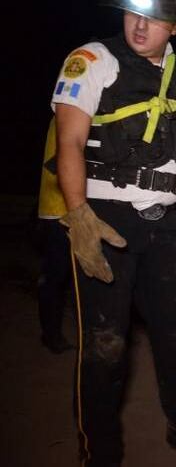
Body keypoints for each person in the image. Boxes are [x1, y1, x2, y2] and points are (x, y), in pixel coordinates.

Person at [52, 0, 176, 464]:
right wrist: (79, 216)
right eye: (132, 12)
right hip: (106, 220)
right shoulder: (93, 60)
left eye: (154, 17)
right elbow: (69, 143)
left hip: (166, 224)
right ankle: (99, 452)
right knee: (106, 346)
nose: (140, 26)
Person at [37, 119, 74, 354]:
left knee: (68, 277)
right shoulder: (69, 112)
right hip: (58, 210)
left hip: (73, 210)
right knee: (56, 276)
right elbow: (58, 164)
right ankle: (51, 334)